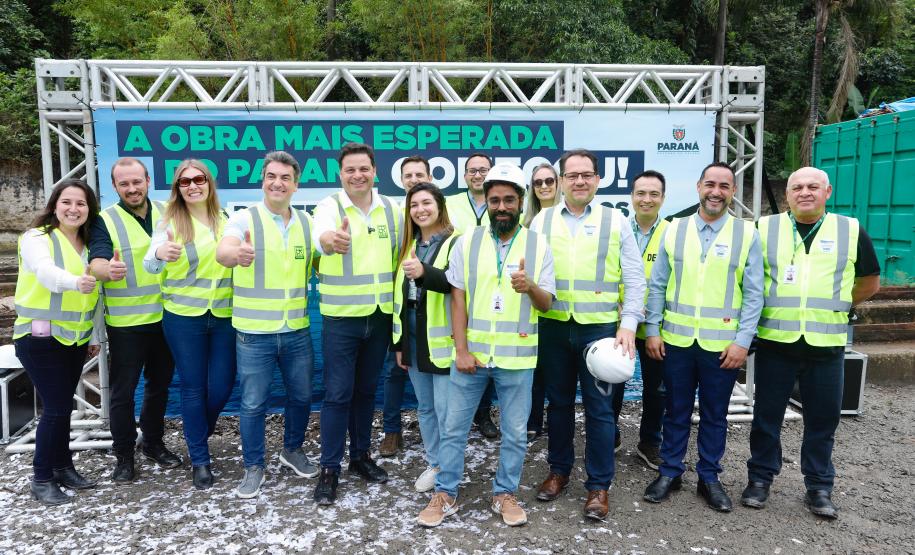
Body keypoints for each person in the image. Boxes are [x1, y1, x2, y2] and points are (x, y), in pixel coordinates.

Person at [418, 162, 555, 528]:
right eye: (495, 200)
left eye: (509, 200)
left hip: (518, 358)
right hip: (472, 357)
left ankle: (504, 493)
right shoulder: (469, 240)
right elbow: (457, 299)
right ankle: (445, 493)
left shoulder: (538, 243)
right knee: (454, 428)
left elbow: (547, 303)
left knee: (513, 432)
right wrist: (461, 350)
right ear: (487, 201)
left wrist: (531, 288)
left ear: (521, 200)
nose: (502, 207)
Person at [741, 167, 880, 519]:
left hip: (826, 345)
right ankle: (760, 479)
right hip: (776, 343)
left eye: (813, 187)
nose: (805, 192)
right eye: (798, 187)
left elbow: (869, 281)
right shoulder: (764, 228)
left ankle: (819, 486)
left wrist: (838, 306)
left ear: (827, 191)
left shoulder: (850, 230)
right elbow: (748, 279)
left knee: (823, 421)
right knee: (766, 418)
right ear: (787, 194)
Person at [529, 149, 644, 521]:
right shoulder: (541, 222)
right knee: (558, 405)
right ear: (560, 181)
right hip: (555, 327)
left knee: (600, 410)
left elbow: (634, 277)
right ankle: (559, 471)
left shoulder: (616, 221)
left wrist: (629, 324)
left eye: (587, 175)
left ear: (597, 180)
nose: (580, 181)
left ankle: (598, 487)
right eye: (572, 175)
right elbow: (530, 277)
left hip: (600, 332)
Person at [642, 162, 763, 512]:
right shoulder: (674, 229)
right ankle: (670, 472)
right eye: (710, 184)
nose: (716, 191)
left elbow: (754, 295)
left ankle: (709, 477)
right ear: (698, 187)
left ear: (733, 192)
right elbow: (658, 285)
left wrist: (742, 342)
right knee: (675, 410)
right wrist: (652, 329)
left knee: (714, 415)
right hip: (677, 341)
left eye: (724, 186)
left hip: (722, 347)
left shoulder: (746, 234)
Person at [215, 151, 319, 498]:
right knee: (253, 404)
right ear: (263, 181)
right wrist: (235, 254)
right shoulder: (243, 219)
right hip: (254, 334)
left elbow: (321, 258)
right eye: (271, 176)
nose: (278, 183)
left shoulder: (306, 223)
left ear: (296, 184)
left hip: (296, 330)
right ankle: (253, 466)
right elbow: (224, 250)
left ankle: (291, 450)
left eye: (285, 178)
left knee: (302, 396)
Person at [311, 143, 402, 505]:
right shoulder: (328, 208)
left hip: (379, 317)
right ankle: (329, 468)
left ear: (375, 171)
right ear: (340, 174)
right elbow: (322, 238)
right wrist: (330, 241)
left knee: (366, 392)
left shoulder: (392, 209)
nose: (357, 175)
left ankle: (360, 457)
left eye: (363, 168)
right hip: (341, 319)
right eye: (350, 169)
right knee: (337, 395)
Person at [144, 159, 235, 490]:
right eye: (185, 182)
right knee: (194, 387)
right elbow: (150, 265)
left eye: (199, 179)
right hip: (184, 317)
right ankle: (200, 459)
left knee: (223, 385)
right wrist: (159, 254)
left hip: (224, 315)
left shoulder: (226, 220)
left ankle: (198, 431)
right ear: (177, 189)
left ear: (209, 184)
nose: (193, 185)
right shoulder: (169, 222)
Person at [88, 158, 181, 483]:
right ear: (115, 187)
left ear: (147, 180)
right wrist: (105, 270)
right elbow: (97, 260)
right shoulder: (104, 220)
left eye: (136, 182)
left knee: (159, 386)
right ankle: (124, 455)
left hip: (167, 319)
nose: (131, 188)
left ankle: (153, 443)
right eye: (124, 184)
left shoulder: (169, 211)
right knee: (123, 393)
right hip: (127, 324)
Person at [14, 179, 100, 505]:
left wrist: (91, 335)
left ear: (88, 209)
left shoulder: (89, 245)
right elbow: (45, 273)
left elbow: (93, 298)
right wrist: (77, 281)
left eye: (81, 203)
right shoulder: (36, 238)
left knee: (62, 407)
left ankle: (63, 467)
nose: (73, 209)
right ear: (54, 205)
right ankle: (41, 477)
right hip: (39, 338)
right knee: (57, 408)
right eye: (67, 202)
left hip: (74, 339)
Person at [391, 182, 457, 492]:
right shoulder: (409, 244)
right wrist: (399, 344)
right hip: (414, 341)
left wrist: (423, 272)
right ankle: (435, 462)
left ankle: (449, 468)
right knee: (426, 408)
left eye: (426, 203)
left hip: (443, 344)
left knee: (446, 412)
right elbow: (399, 298)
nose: (420, 209)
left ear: (440, 206)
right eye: (414, 205)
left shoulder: (456, 242)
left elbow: (456, 284)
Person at [611, 170, 670, 470]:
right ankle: (612, 436)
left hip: (654, 327)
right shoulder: (617, 228)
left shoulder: (672, 233)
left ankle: (649, 443)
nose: (646, 199)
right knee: (612, 383)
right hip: (618, 323)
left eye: (653, 194)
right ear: (631, 196)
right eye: (641, 193)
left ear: (662, 198)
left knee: (656, 389)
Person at [380, 155, 432, 457]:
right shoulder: (395, 218)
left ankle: (438, 435)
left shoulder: (438, 215)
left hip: (434, 309)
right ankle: (392, 431)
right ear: (401, 181)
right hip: (402, 307)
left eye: (419, 173)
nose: (413, 179)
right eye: (408, 175)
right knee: (395, 370)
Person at [444, 153, 498, 439]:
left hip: (493, 289)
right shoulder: (450, 204)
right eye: (472, 171)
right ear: (464, 175)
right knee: (460, 347)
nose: (478, 175)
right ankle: (459, 416)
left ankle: (484, 413)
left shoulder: (500, 201)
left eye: (483, 170)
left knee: (488, 350)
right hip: (457, 287)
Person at [524, 162, 561, 441]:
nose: (545, 186)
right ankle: (533, 420)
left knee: (558, 373)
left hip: (564, 306)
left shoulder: (570, 218)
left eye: (550, 181)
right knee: (534, 369)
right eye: (538, 183)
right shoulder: (527, 224)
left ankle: (557, 421)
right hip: (534, 307)